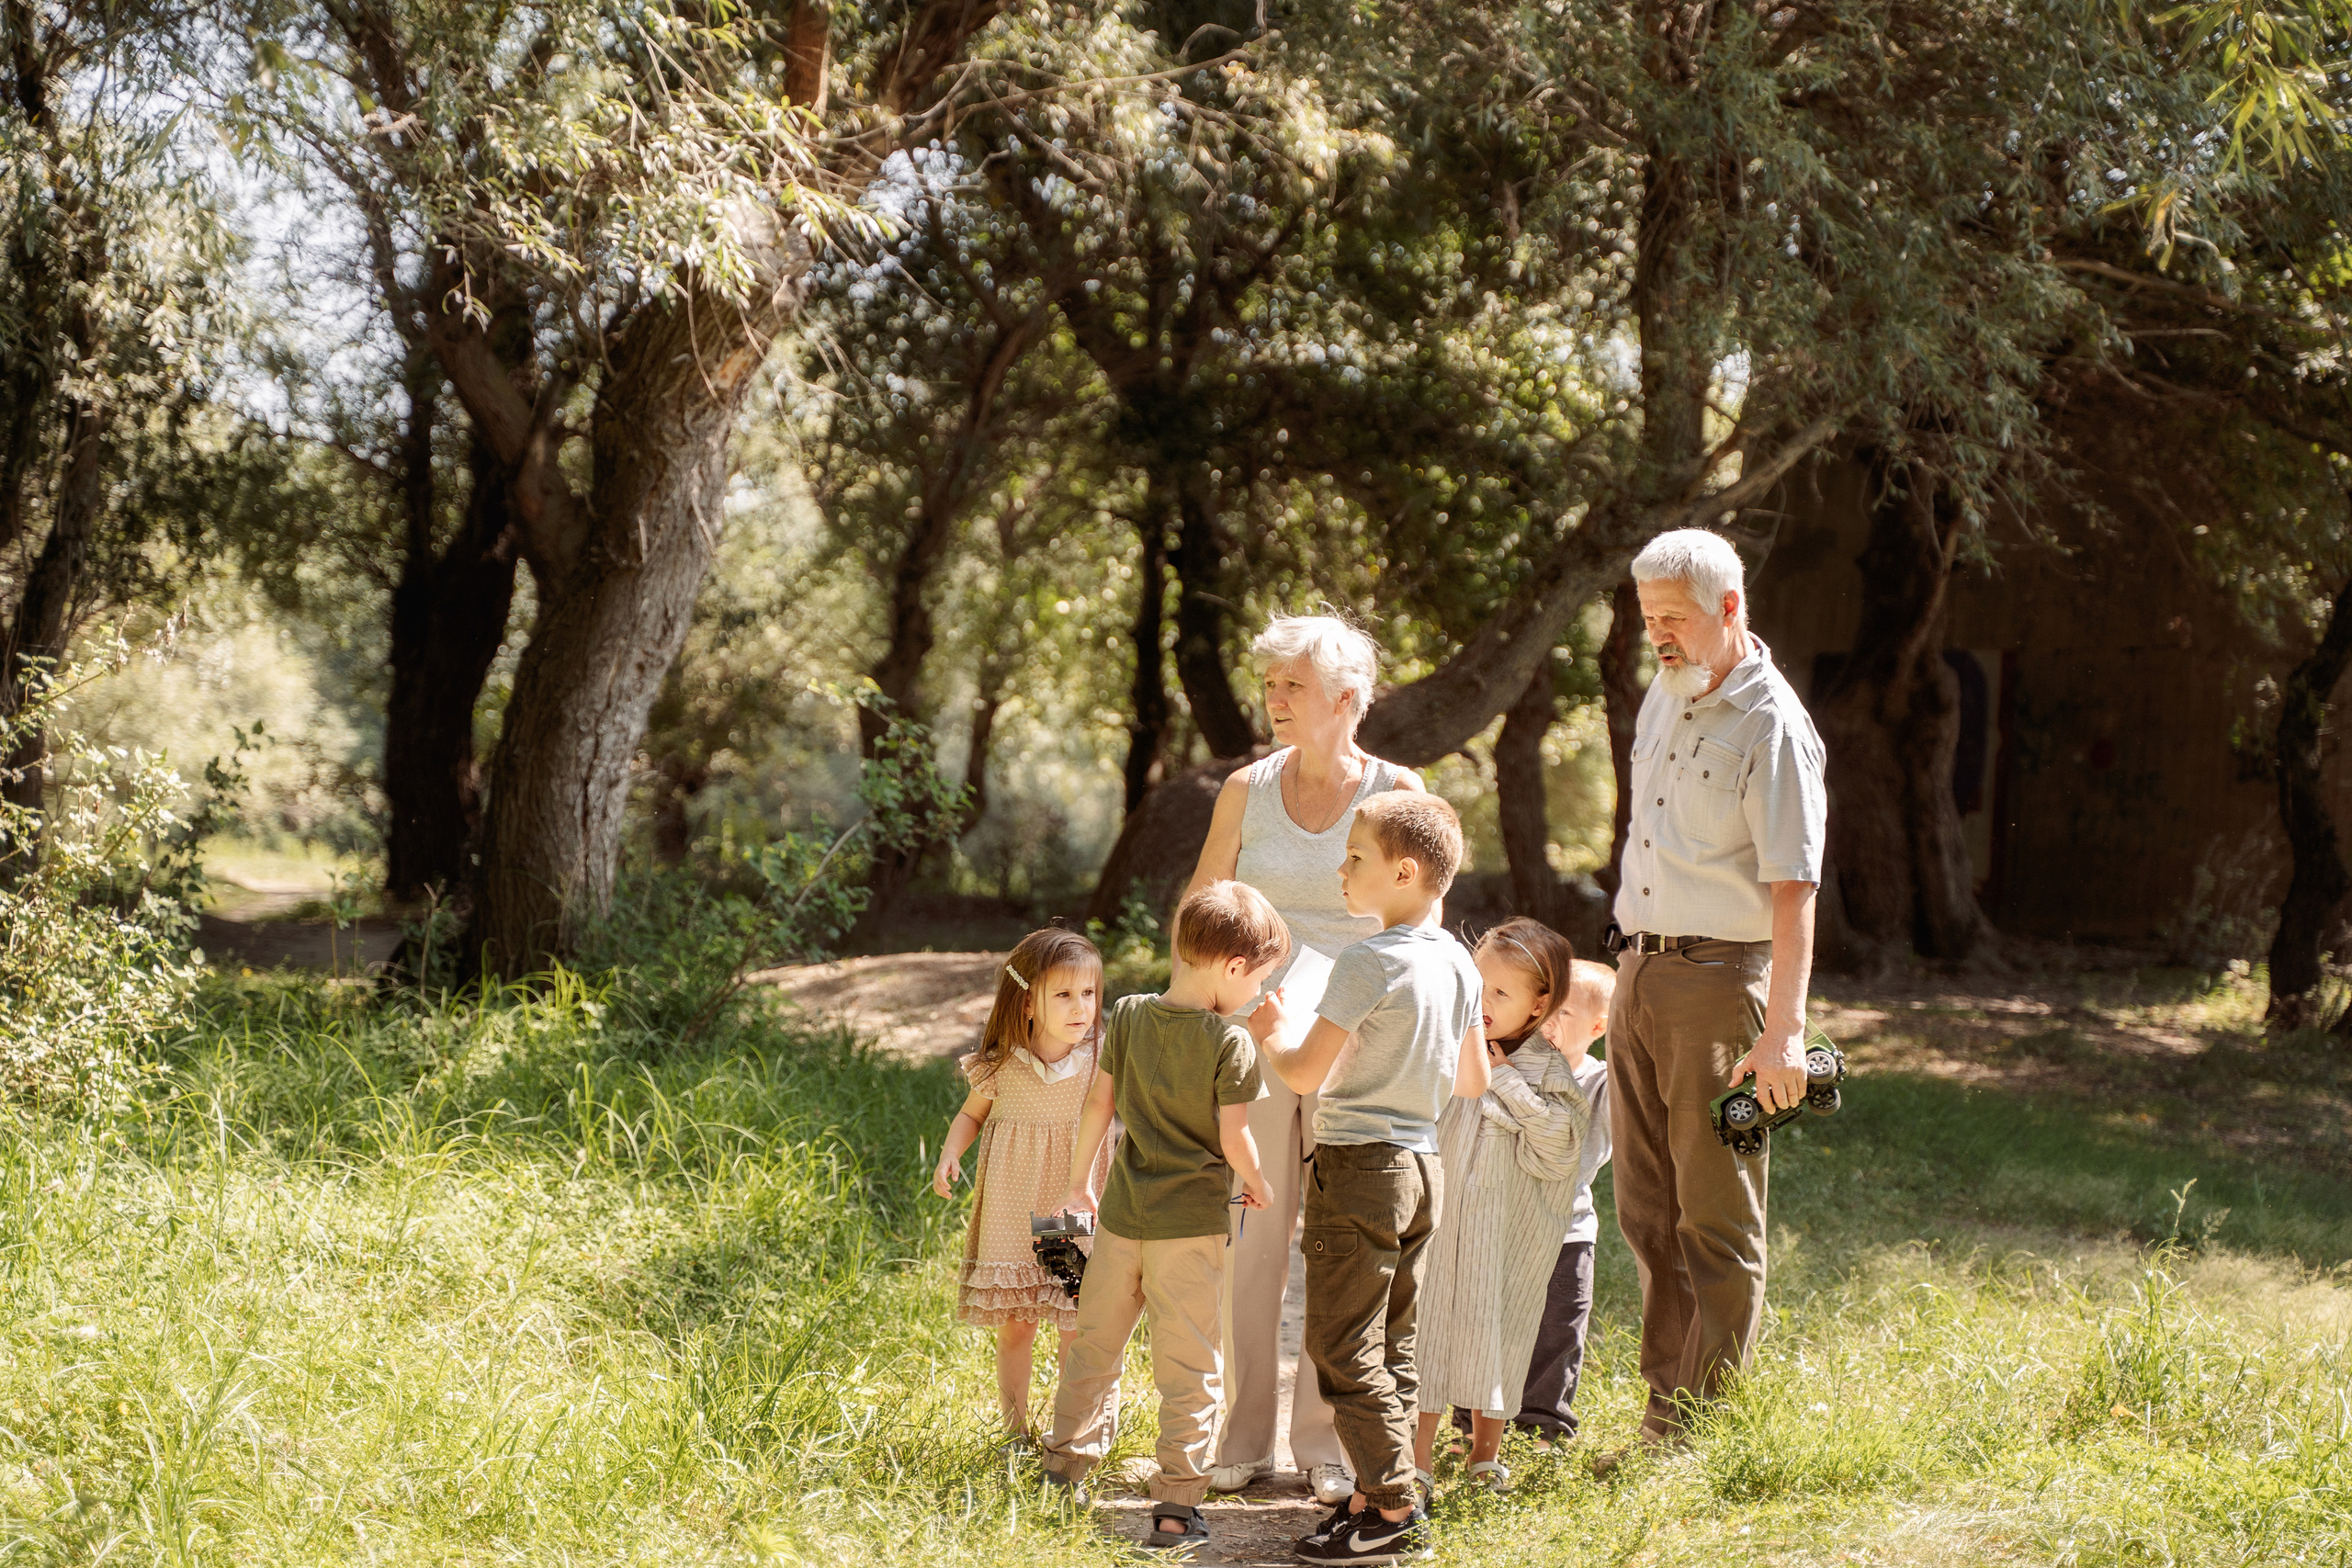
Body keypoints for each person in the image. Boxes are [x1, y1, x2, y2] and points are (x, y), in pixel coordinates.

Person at [1176, 613, 1429, 1506]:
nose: (1274, 699)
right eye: (1270, 684)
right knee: (1247, 1240)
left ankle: (1327, 1440)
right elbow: (1203, 909)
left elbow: (1420, 926)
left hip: (1356, 1046)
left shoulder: (1399, 791)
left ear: (1347, 698)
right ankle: (1241, 1437)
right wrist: (1193, 1018)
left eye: (1293, 685)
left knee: (1339, 1244)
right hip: (1253, 1038)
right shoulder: (1245, 789)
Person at [1602, 526, 1827, 1462]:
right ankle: (1665, 1414)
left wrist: (1784, 1035)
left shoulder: (1772, 725)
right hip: (1639, 973)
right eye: (1647, 616)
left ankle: (1704, 1433)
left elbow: (1794, 889)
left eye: (1674, 617)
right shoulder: (1665, 691)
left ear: (1729, 608)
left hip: (1722, 984)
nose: (1657, 633)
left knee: (1715, 1215)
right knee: (1646, 1211)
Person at [1253, 792, 1487, 1565]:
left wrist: (1272, 1030)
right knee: (1393, 1344)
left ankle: (1393, 1506)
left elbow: (1301, 1071)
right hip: (1423, 1165)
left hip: (1359, 1165)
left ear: (1405, 871)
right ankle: (1367, 1495)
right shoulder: (1458, 961)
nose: (1342, 869)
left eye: (1356, 857)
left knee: (1341, 1344)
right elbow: (1473, 1079)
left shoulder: (1367, 960)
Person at [1038, 882, 1283, 1553]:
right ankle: (1175, 1507)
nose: (1258, 990)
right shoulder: (1230, 1042)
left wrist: (1077, 1184)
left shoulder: (1128, 1015)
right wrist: (1259, 1183)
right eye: (1258, 977)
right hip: (1190, 1230)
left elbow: (1098, 1104)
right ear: (1233, 966)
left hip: (1121, 1219)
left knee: (1093, 1349)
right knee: (1190, 1366)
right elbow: (1236, 1137)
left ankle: (1061, 1476)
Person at [1412, 919, 1593, 1497]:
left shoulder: (1549, 1071)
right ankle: (1417, 1460)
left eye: (1501, 992)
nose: (1483, 1002)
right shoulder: (1447, 1046)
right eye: (1477, 985)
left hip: (1506, 1235)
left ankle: (1484, 1456)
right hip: (1442, 1224)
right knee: (1428, 1329)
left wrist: (1506, 1081)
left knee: (1500, 1331)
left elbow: (1558, 1151)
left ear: (1539, 1004)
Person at [930, 929, 1115, 1439]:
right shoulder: (1002, 1063)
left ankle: (1071, 1431)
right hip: (1014, 1214)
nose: (1081, 1007)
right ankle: (1015, 1432)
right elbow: (971, 1115)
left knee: (1073, 1320)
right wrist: (950, 1152)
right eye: (1064, 994)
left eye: (1089, 992)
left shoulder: (1102, 1061)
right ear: (1028, 1002)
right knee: (1017, 1325)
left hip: (1068, 1212)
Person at [1505, 958, 1617, 1445]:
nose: (1549, 1020)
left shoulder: (1603, 1083)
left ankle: (1542, 1425)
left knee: (1558, 1330)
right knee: (1490, 1326)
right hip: (1501, 1224)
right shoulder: (1509, 1067)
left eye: (1565, 1013)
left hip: (1567, 1229)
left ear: (1599, 1027)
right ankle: (1472, 1421)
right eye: (1546, 1006)